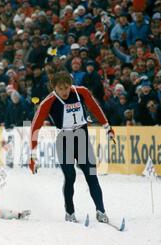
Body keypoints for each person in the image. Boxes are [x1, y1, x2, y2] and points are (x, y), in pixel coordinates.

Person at [29, 71, 115, 223]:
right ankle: (70, 212)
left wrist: (107, 127)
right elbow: (35, 127)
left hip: (82, 138)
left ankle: (101, 211)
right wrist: (32, 154)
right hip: (65, 141)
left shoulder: (81, 92)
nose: (64, 92)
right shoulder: (48, 101)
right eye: (60, 88)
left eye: (67, 87)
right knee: (70, 177)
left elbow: (95, 108)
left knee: (92, 175)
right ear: (54, 87)